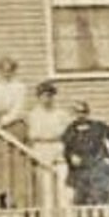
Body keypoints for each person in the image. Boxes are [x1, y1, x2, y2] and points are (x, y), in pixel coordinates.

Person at [61, 101, 109, 205]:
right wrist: (70, 157)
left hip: (97, 172)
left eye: (83, 112)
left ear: (88, 113)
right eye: (77, 112)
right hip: (79, 175)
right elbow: (66, 150)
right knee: (80, 207)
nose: (81, 115)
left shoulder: (98, 127)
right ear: (73, 114)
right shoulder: (70, 130)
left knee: (100, 205)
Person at [26, 80, 73, 208]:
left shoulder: (61, 114)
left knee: (63, 187)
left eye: (50, 95)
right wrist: (50, 135)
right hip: (42, 150)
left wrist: (54, 135)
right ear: (38, 97)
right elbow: (33, 134)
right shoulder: (34, 114)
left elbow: (67, 133)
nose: (47, 99)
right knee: (46, 190)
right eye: (43, 96)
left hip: (59, 150)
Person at [0, 56, 28, 141]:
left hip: (15, 123)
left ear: (14, 71)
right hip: (0, 124)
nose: (6, 74)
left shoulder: (19, 87)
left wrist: (2, 122)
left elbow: (18, 109)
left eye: (9, 71)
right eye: (3, 71)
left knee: (16, 149)